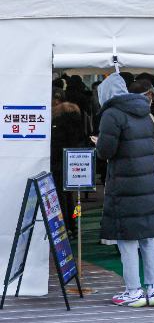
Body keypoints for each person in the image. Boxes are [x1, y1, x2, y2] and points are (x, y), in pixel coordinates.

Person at [95, 73, 154, 308]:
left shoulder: (111, 114)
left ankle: (133, 291)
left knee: (126, 238)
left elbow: (107, 151)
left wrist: (98, 144)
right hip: (147, 183)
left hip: (124, 184)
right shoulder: (145, 113)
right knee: (147, 237)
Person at [50, 92, 91, 237]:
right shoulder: (78, 115)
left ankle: (66, 225)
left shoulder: (57, 120)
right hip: (76, 162)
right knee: (73, 198)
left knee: (62, 197)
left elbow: (56, 144)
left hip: (59, 163)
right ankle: (73, 224)